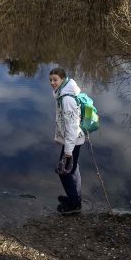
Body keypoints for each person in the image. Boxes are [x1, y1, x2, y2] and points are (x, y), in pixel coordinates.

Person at [48, 67, 85, 215]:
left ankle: (75, 204)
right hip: (72, 140)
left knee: (64, 171)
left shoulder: (67, 99)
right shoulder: (63, 94)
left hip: (73, 141)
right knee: (72, 169)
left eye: (55, 80)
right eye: (50, 80)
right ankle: (73, 198)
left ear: (63, 79)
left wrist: (68, 150)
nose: (52, 83)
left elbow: (72, 126)